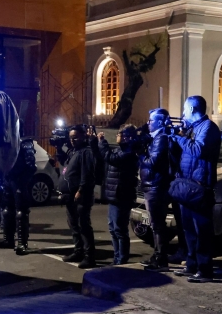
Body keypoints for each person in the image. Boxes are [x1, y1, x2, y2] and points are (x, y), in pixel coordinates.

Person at [168, 96, 221, 283]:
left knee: (202, 231)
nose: (182, 113)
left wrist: (179, 137)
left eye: (185, 109)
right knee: (188, 229)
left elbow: (198, 150)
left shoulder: (208, 128)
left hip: (200, 187)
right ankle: (191, 266)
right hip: (187, 186)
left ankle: (205, 270)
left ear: (191, 109)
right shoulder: (193, 128)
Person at [98, 125, 140, 265]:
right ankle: (117, 257)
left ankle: (122, 258)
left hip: (122, 195)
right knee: (113, 227)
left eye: (120, 134)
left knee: (119, 229)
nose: (117, 136)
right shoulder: (120, 150)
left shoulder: (129, 152)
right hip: (114, 195)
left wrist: (102, 143)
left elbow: (111, 158)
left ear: (128, 137)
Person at [58, 124, 97, 269]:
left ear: (83, 136)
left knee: (83, 226)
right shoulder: (74, 151)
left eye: (75, 137)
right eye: (71, 138)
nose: (72, 140)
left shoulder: (85, 152)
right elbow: (65, 165)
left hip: (80, 196)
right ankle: (78, 251)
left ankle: (89, 256)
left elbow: (87, 174)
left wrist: (81, 190)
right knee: (74, 224)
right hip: (70, 196)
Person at [140, 109, 174, 271]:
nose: (148, 123)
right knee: (156, 224)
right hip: (152, 185)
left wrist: (140, 154)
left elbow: (153, 161)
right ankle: (158, 255)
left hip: (156, 186)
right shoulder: (156, 138)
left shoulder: (161, 138)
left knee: (158, 225)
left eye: (151, 121)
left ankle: (161, 259)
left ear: (160, 122)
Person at [3, 136, 38, 254]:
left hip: (18, 180)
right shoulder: (7, 140)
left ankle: (22, 243)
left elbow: (31, 166)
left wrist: (22, 182)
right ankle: (8, 239)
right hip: (9, 178)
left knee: (21, 212)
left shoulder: (25, 143)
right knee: (7, 210)